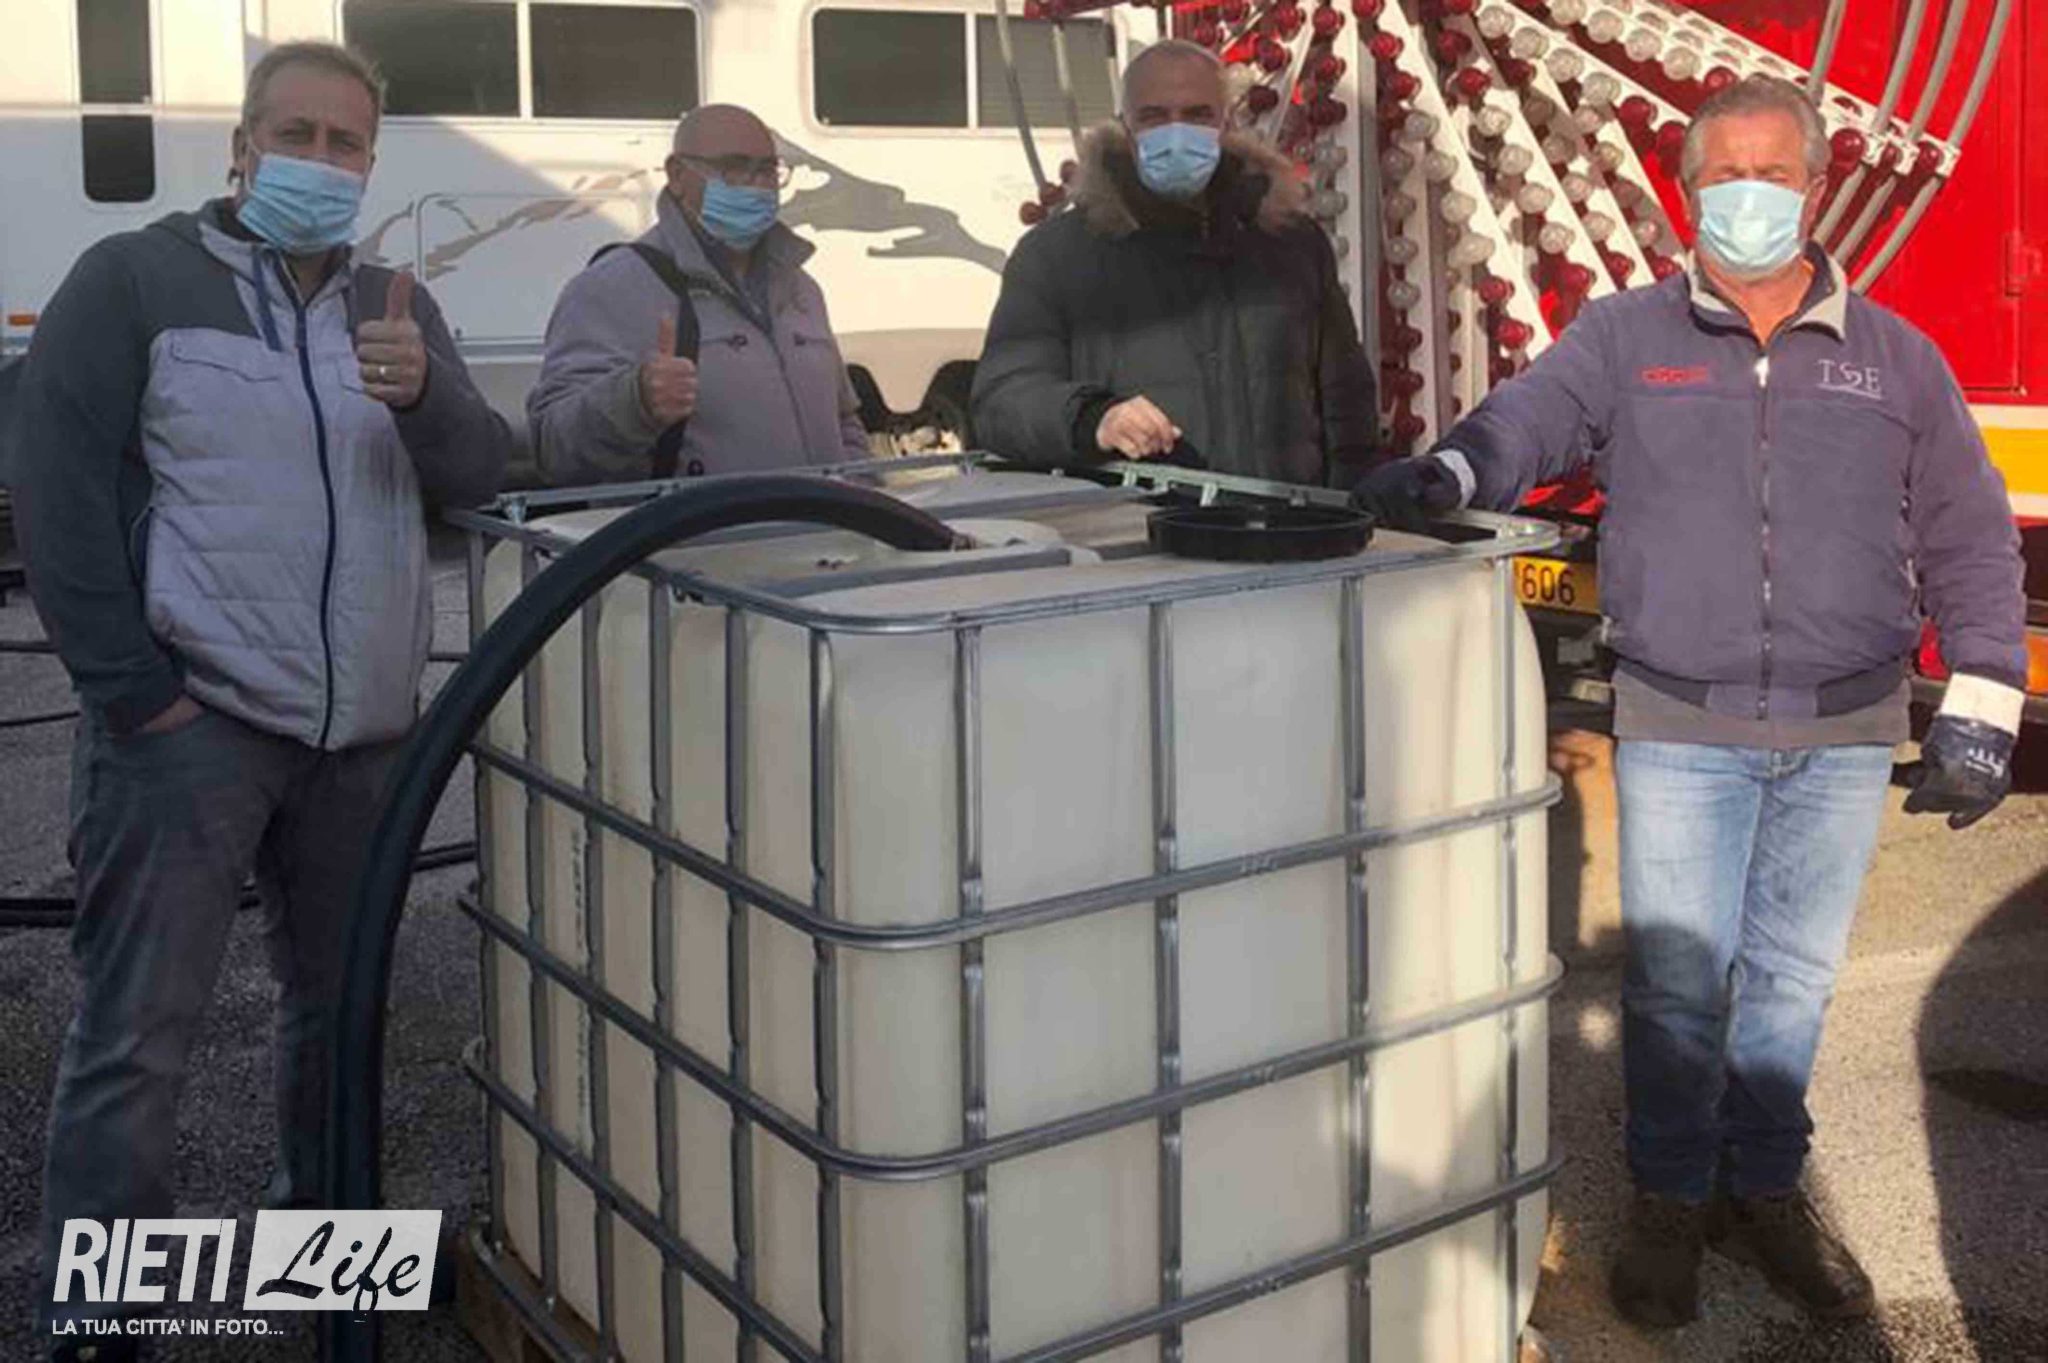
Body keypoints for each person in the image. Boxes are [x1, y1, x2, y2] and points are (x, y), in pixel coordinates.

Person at [1355, 76, 2028, 1329]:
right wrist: (1449, 469)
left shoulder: (1894, 357)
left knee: (1788, 983)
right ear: (1685, 194)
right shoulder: (1624, 339)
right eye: (1724, 178)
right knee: (1673, 989)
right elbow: (1528, 422)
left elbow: (1967, 529)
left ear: (1813, 188)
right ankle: (1668, 1196)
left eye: (1772, 175)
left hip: (1843, 727)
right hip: (1678, 721)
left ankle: (1762, 1187)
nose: (1747, 199)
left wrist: (1982, 692)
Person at [10, 40, 510, 1358]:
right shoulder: (132, 279)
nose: (321, 162)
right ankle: (100, 1318)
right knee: (137, 1036)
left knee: (340, 1019)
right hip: (195, 728)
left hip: (362, 739)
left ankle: (320, 1268)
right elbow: (54, 493)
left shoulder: (397, 301)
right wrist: (136, 696)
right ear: (242, 146)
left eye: (347, 144)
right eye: (297, 135)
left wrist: (424, 397)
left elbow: (477, 475)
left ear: (371, 163)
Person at [969, 39, 1378, 485]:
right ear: (1125, 127)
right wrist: (1092, 417)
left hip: (1285, 520)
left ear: (1226, 123)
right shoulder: (1057, 255)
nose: (1176, 133)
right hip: (1134, 523)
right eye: (1154, 116)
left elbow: (1346, 402)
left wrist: (1357, 505)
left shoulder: (1291, 244)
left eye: (1197, 115)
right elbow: (1002, 400)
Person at [528, 104, 871, 482]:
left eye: (767, 169)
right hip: (702, 524)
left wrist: (861, 487)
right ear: (677, 175)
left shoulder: (802, 289)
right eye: (734, 168)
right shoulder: (611, 288)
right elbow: (553, 448)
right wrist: (634, 402)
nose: (756, 186)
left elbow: (844, 420)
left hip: (825, 522)